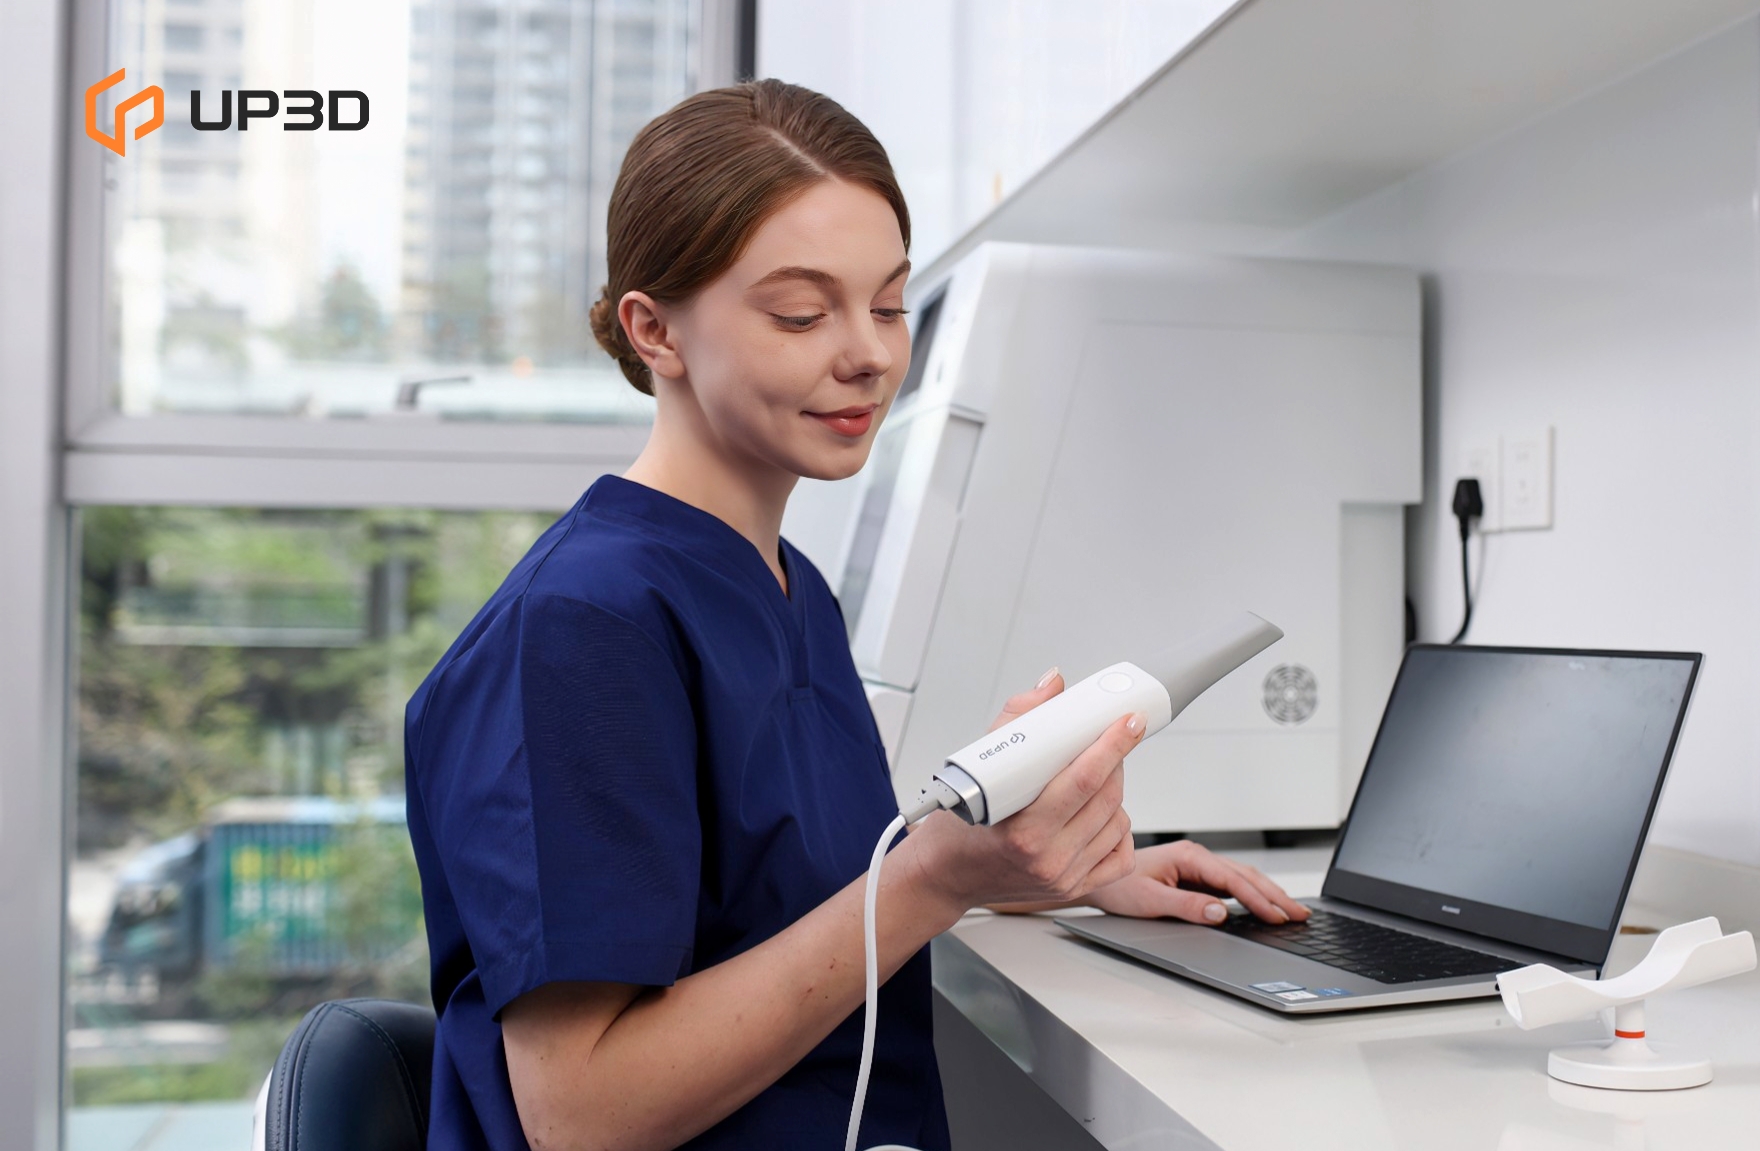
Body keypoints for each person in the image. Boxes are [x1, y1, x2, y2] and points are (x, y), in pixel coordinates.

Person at [403, 79, 1309, 1151]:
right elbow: (581, 1109)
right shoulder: (585, 625)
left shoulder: (786, 584)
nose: (870, 353)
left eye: (887, 304)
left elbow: (784, 911)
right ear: (656, 330)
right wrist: (936, 878)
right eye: (800, 312)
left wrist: (1028, 867)